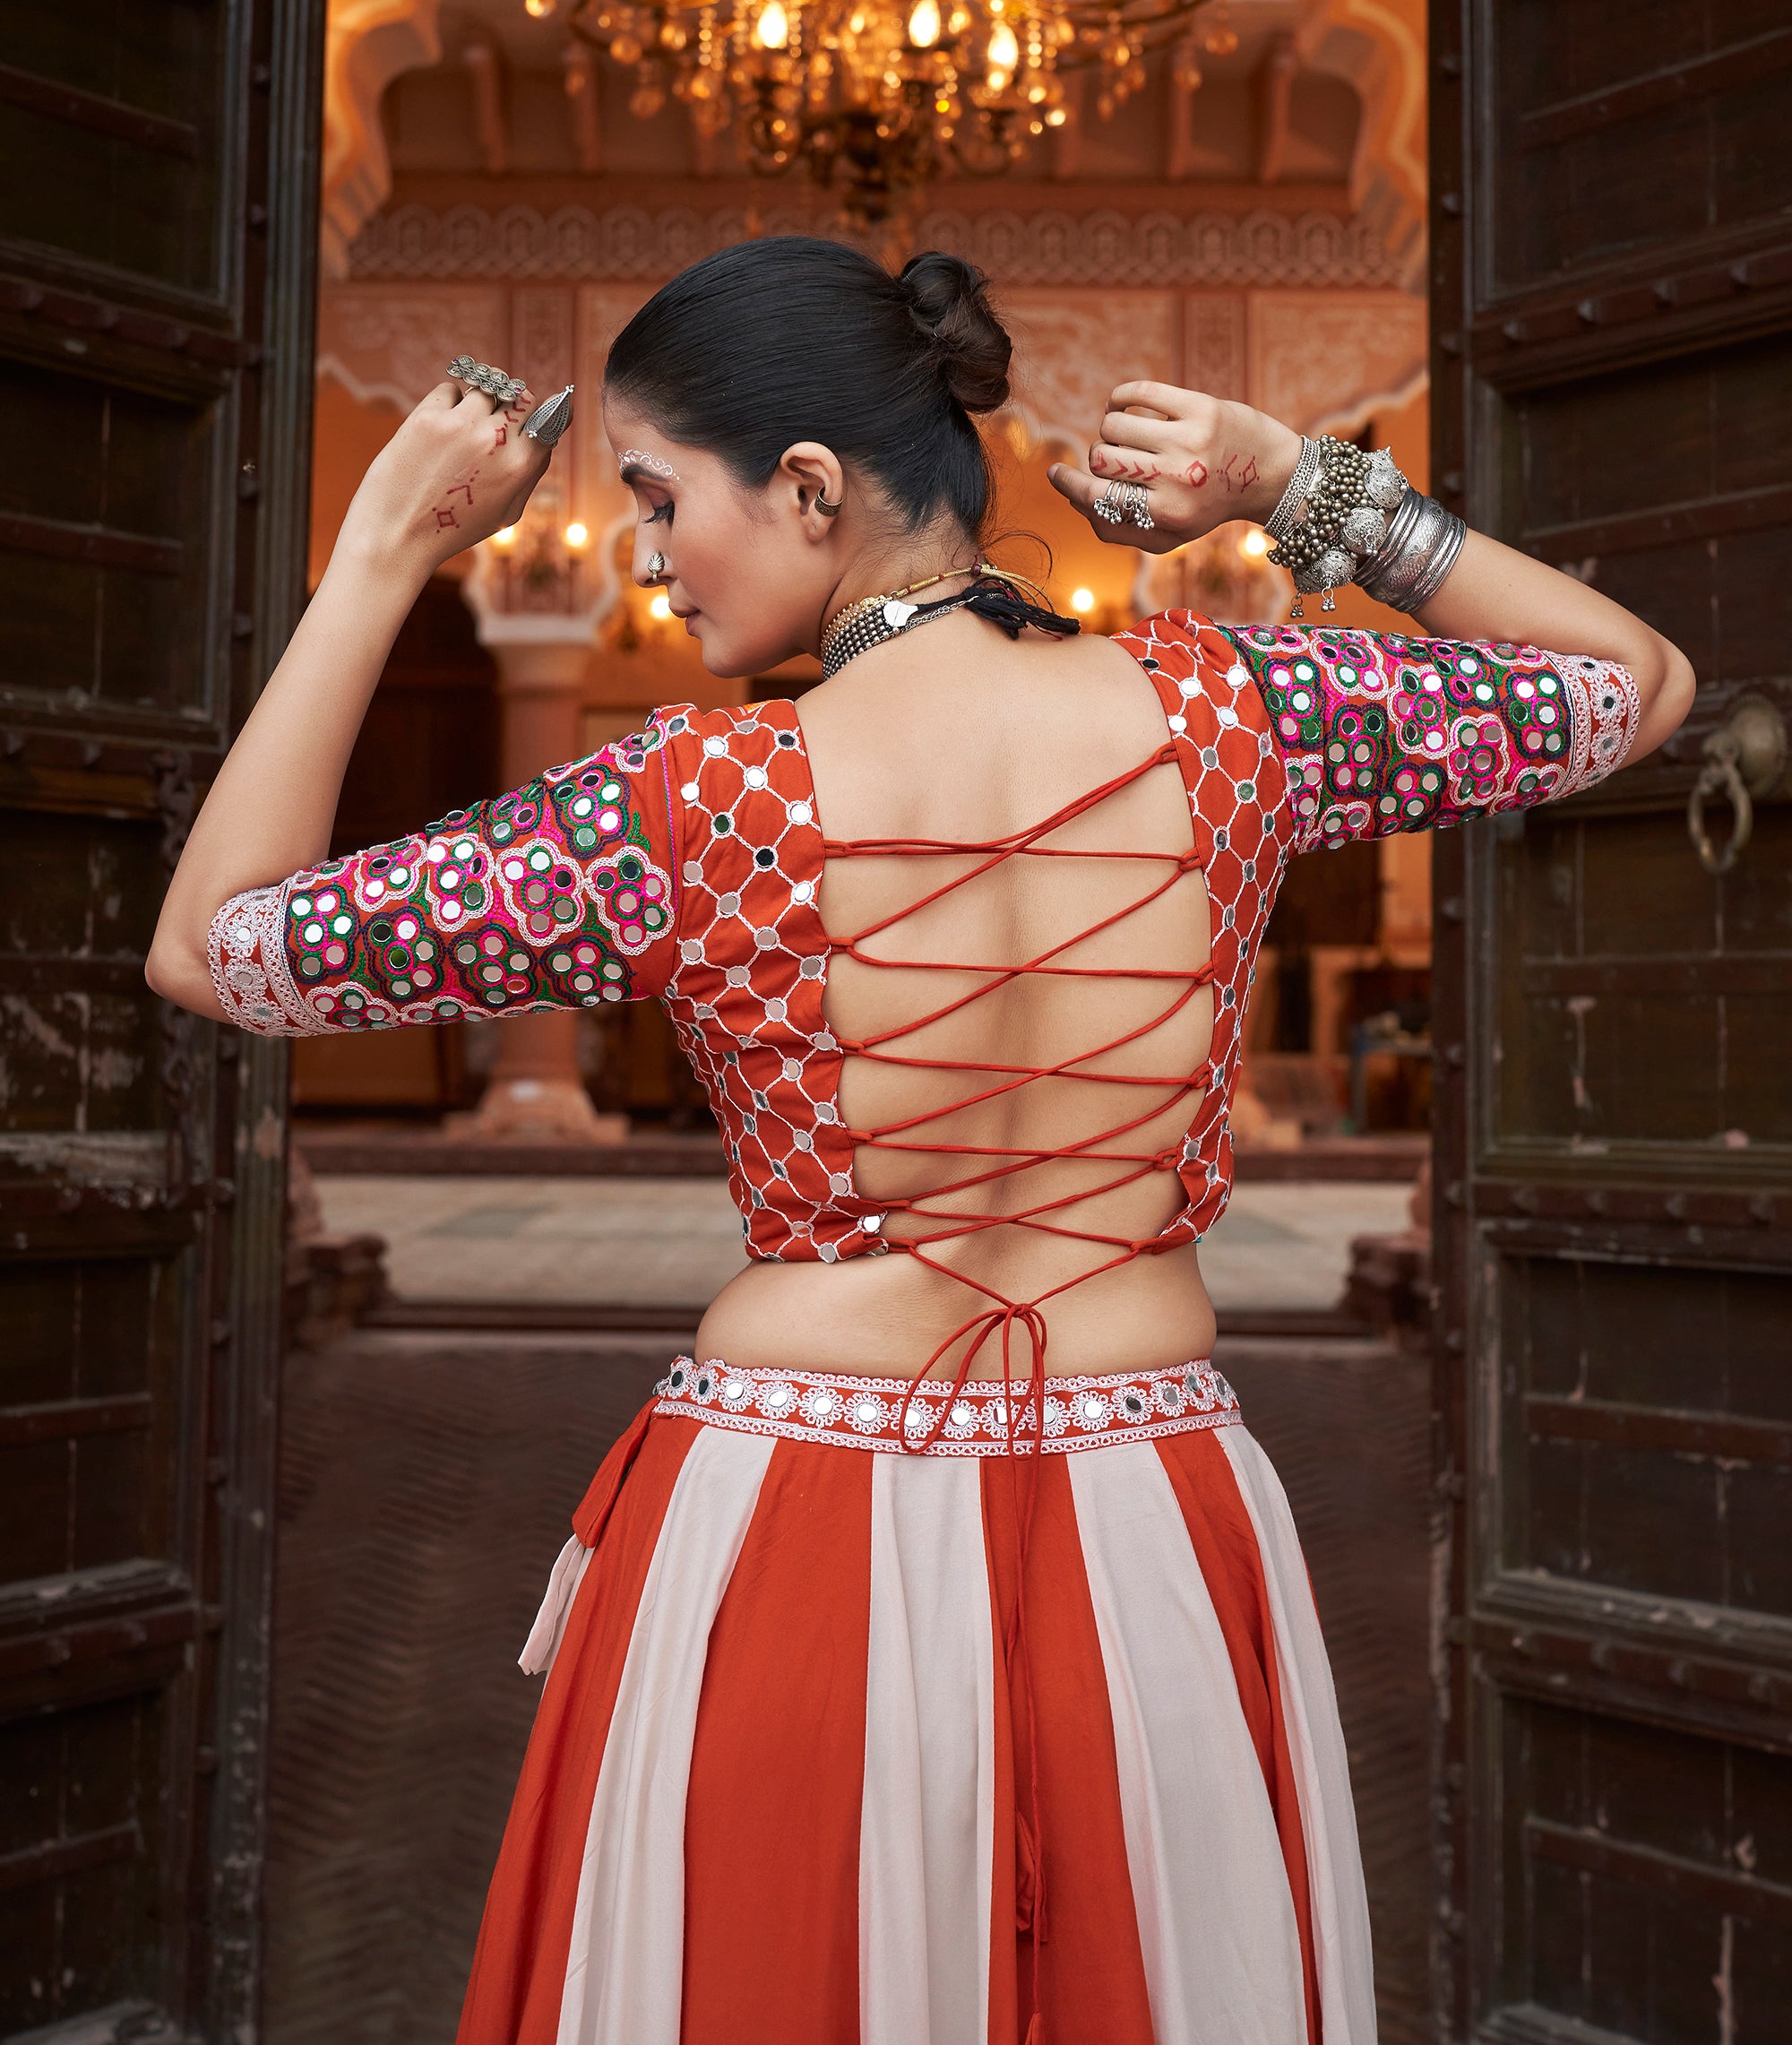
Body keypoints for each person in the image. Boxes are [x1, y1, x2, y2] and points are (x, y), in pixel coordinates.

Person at [149, 237, 1693, 2045]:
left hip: (785, 1524)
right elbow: (1633, 684)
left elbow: (218, 948)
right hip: (1154, 1521)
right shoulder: (1237, 717)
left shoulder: (681, 806)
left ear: (808, 487)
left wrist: (372, 566)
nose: (644, 553)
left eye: (658, 498)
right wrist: (1297, 480)